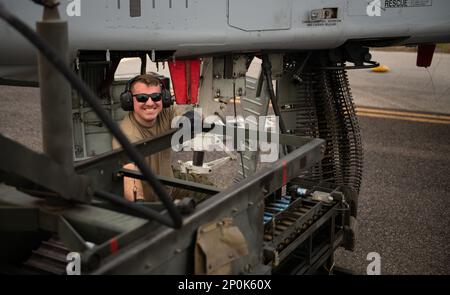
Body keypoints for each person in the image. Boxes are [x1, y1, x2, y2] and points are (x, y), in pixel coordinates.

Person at [112, 74, 175, 202]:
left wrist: (192, 117)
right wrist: (140, 204)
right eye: (142, 98)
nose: (150, 103)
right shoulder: (126, 135)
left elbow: (185, 116)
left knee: (216, 196)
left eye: (156, 97)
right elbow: (131, 178)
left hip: (170, 187)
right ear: (129, 101)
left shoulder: (165, 113)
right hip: (152, 203)